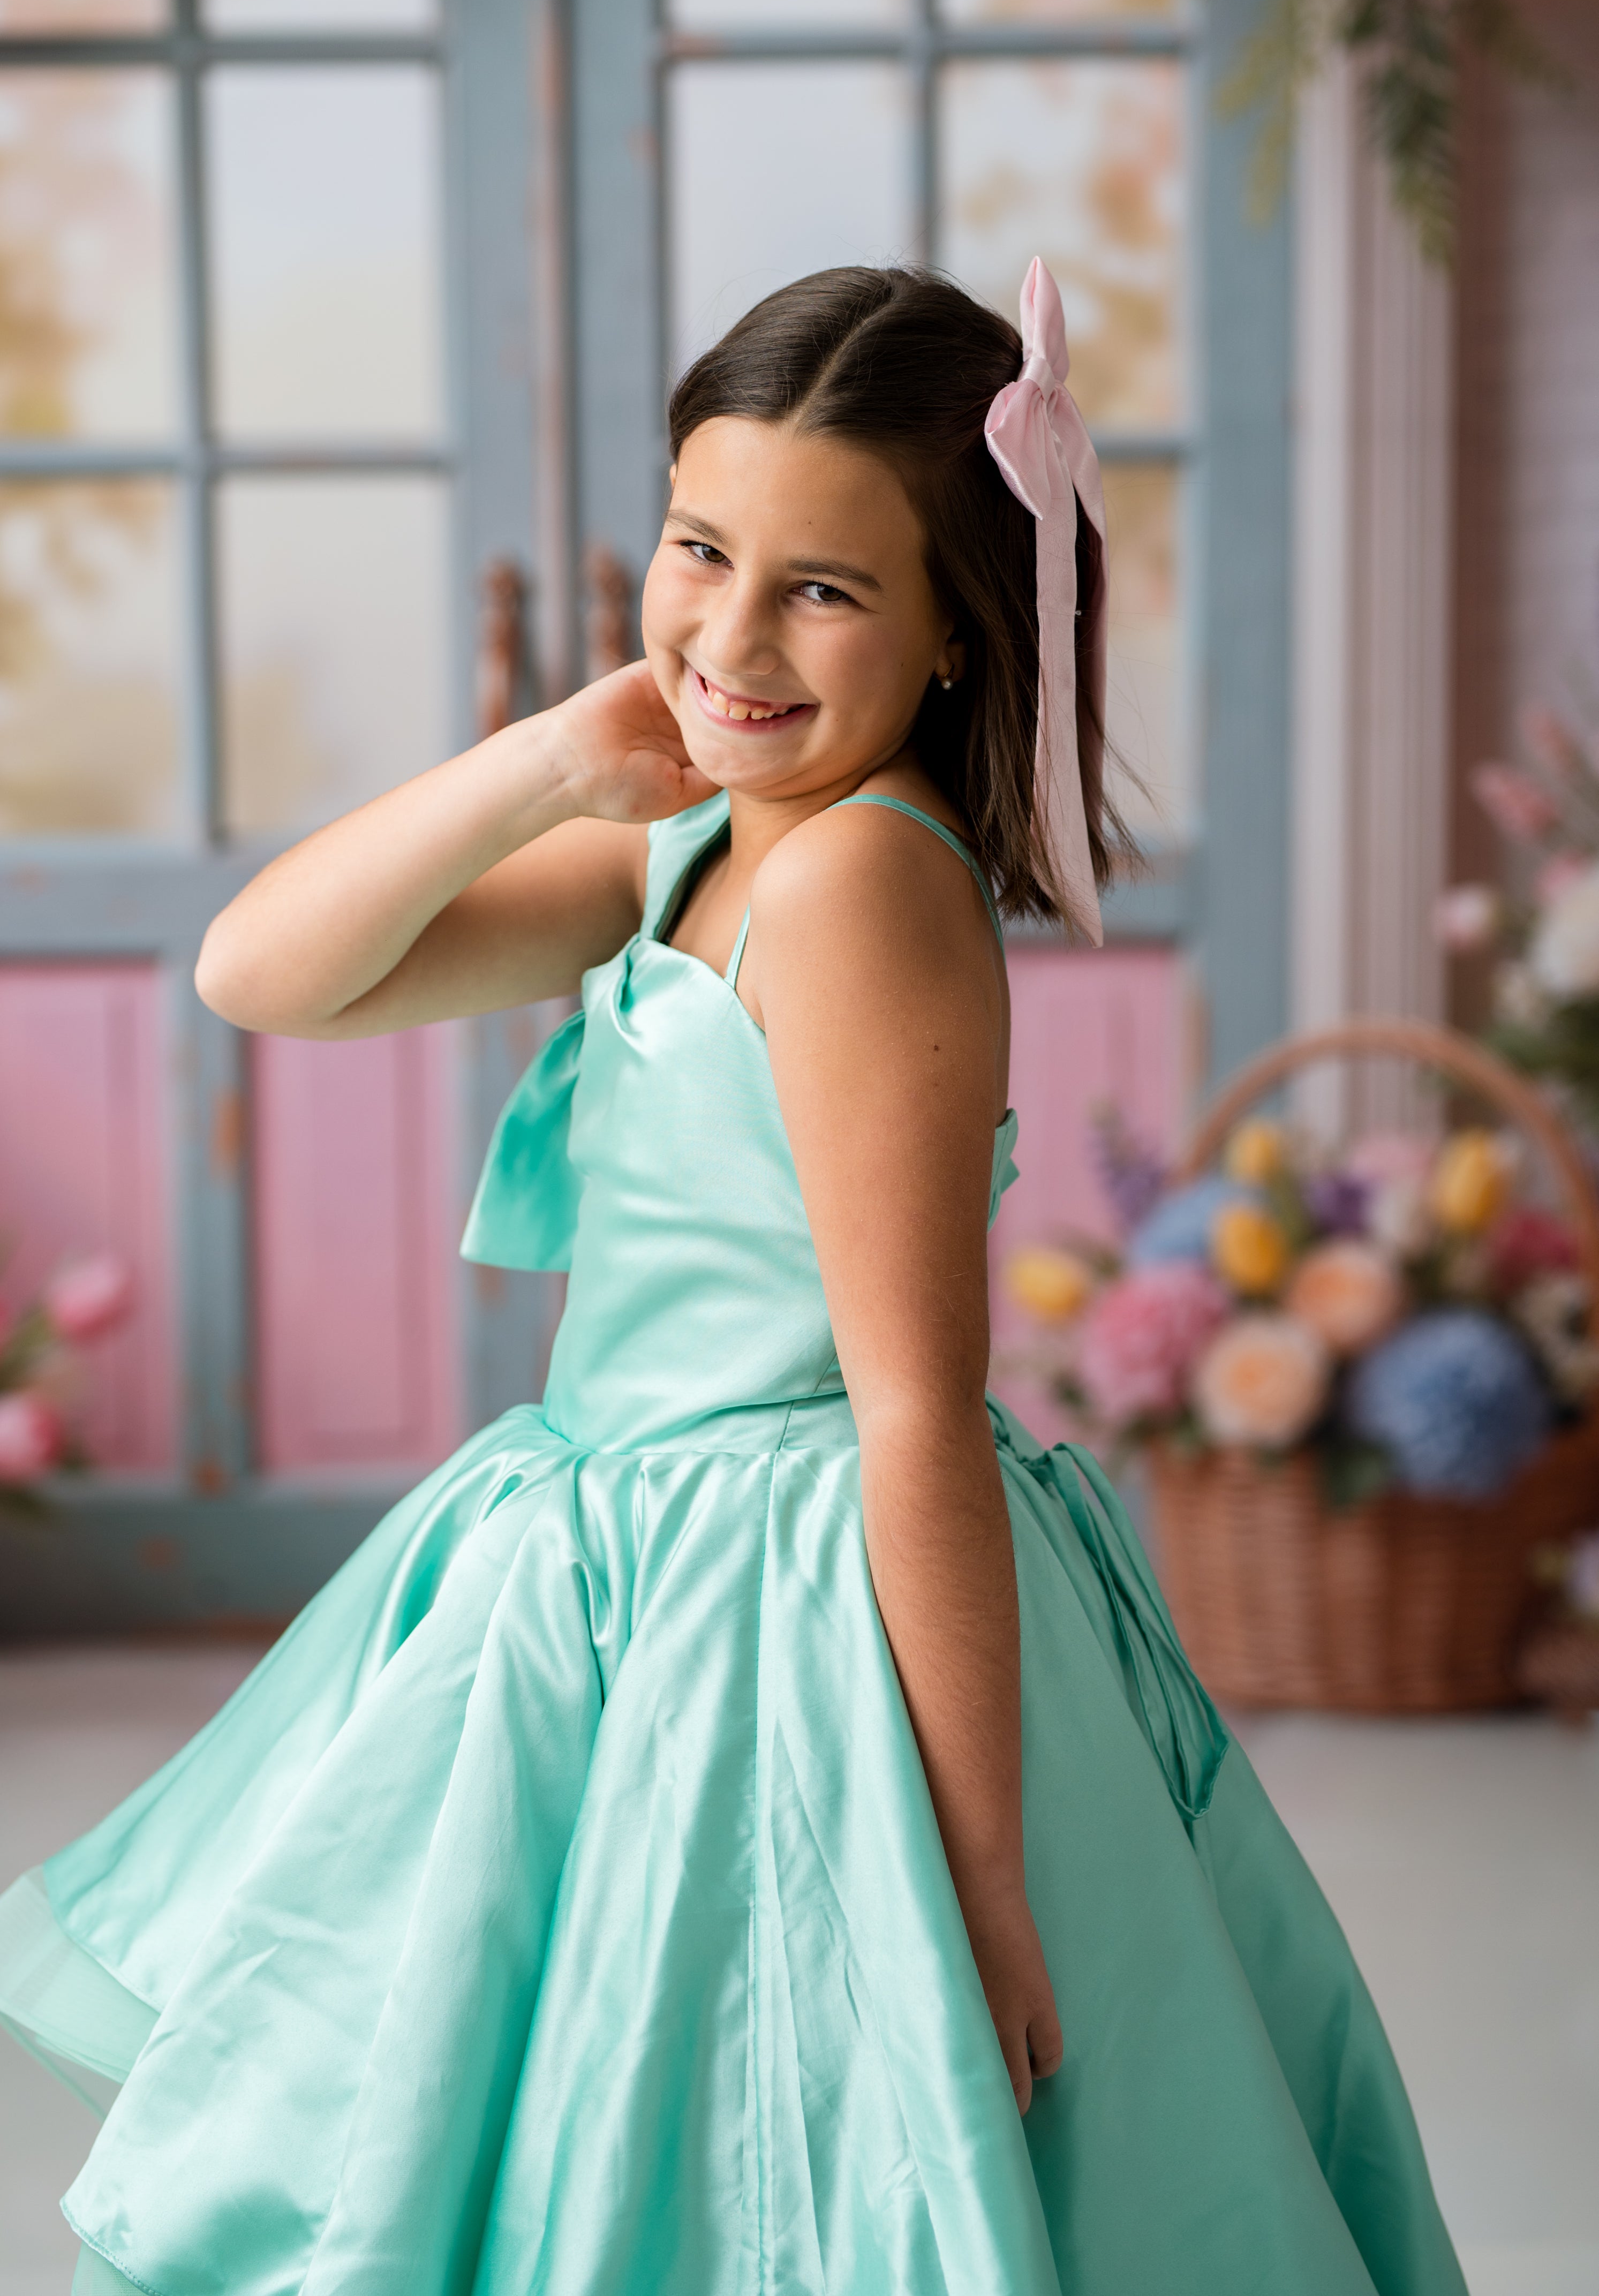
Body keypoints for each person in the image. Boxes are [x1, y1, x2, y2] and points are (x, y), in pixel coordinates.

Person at [0, 262, 1466, 2296]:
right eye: (703, 550)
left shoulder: (858, 881)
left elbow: (908, 1406)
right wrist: (552, 760)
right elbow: (266, 974)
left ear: (963, 625)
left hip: (790, 1597)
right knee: (610, 2115)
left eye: (826, 590)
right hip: (607, 1554)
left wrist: (969, 1869)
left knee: (773, 2136)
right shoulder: (690, 838)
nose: (731, 635)